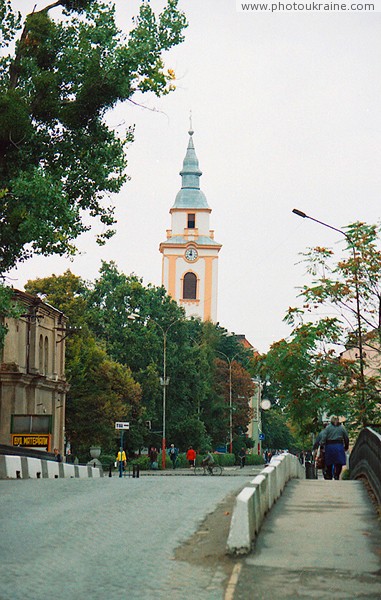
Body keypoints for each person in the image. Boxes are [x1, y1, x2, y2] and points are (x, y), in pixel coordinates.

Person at [320, 415, 349, 480]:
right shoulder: (342, 428)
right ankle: (336, 475)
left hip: (329, 447)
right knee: (339, 463)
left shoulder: (328, 428)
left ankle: (329, 475)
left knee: (329, 462)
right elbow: (346, 437)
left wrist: (322, 445)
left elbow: (324, 437)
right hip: (339, 446)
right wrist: (346, 445)